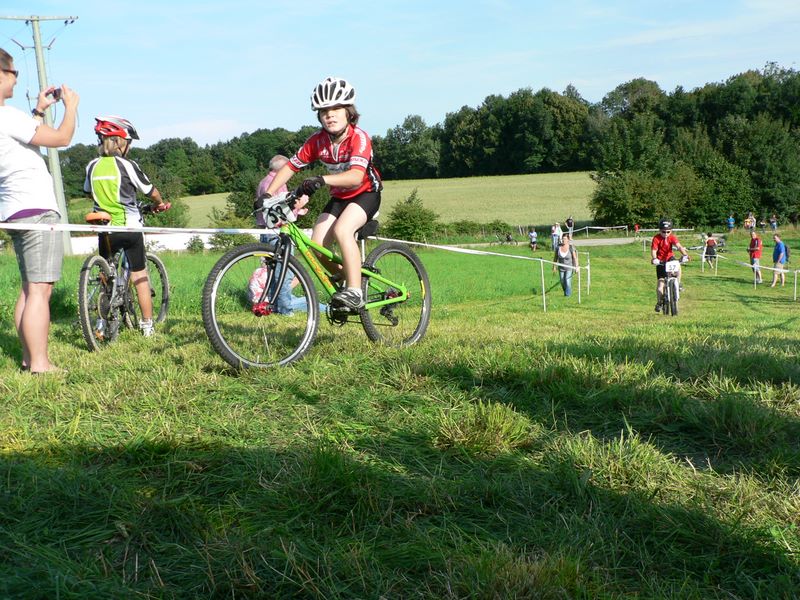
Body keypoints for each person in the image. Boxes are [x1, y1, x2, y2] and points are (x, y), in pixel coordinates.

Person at [260, 76, 382, 311]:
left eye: (336, 109)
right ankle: (347, 276)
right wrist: (268, 194)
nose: (330, 115)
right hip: (340, 198)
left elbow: (356, 177)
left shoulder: (359, 138)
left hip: (366, 193)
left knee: (343, 230)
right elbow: (291, 166)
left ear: (348, 112)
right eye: (324, 111)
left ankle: (355, 291)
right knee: (316, 245)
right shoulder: (317, 141)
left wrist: (321, 179)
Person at [0, 48, 79, 373]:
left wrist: (38, 110)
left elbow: (22, 139)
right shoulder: (6, 115)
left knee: (29, 287)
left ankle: (28, 357)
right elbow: (61, 138)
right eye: (13, 72)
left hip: (14, 210)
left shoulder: (7, 120)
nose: (16, 79)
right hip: (36, 208)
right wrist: (71, 107)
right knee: (40, 290)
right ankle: (40, 364)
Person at [84, 116, 169, 337]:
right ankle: (147, 325)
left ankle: (101, 325)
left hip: (105, 229)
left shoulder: (92, 166)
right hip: (129, 228)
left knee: (106, 276)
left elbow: (88, 192)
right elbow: (151, 191)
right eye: (129, 142)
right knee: (140, 277)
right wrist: (159, 204)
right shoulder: (127, 165)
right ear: (120, 142)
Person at [650, 219, 689, 313]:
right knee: (660, 285)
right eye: (663, 232)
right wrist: (654, 258)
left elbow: (679, 246)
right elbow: (654, 250)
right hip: (660, 261)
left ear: (671, 231)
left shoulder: (672, 237)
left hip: (670, 258)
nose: (666, 234)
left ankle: (678, 283)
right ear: (660, 230)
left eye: (668, 232)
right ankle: (659, 302)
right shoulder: (656, 238)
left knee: (678, 266)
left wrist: (685, 255)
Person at [553, 232, 579, 297]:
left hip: (569, 268)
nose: (563, 240)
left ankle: (568, 295)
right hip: (561, 268)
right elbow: (555, 258)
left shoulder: (571, 247)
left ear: (568, 240)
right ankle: (566, 292)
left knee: (567, 280)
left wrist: (577, 267)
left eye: (565, 239)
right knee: (562, 282)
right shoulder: (558, 247)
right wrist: (554, 266)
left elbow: (575, 258)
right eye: (563, 238)